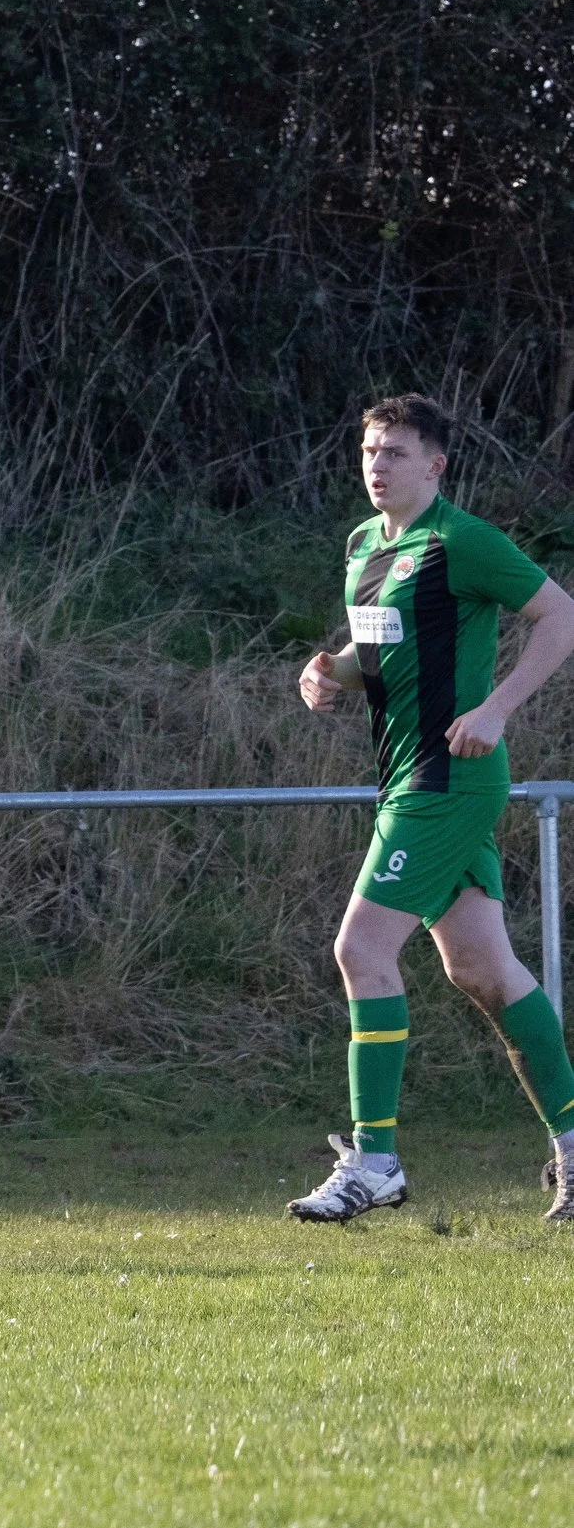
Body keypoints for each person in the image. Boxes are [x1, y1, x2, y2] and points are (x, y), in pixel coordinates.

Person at [288, 394, 574, 1221]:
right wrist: (333, 673)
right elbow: (380, 639)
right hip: (406, 777)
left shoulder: (461, 541)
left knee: (361, 950)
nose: (378, 466)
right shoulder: (365, 545)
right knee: (482, 971)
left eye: (397, 453)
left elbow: (560, 615)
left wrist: (496, 710)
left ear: (435, 465)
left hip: (448, 779)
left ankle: (374, 1160)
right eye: (370, 451)